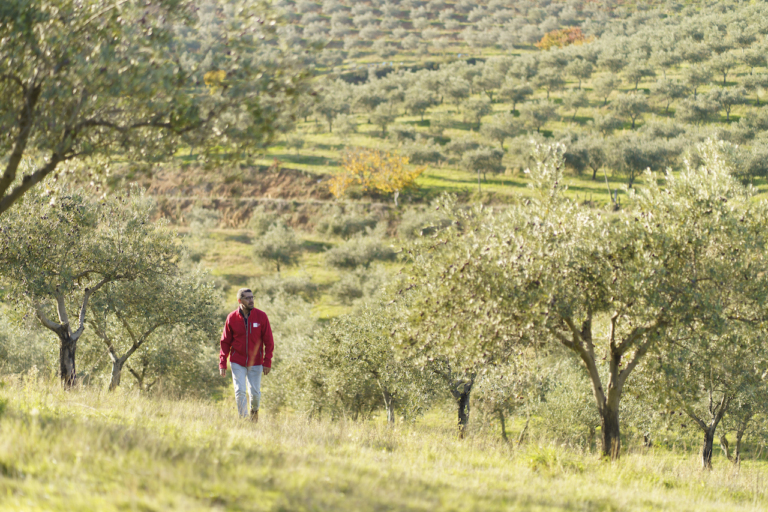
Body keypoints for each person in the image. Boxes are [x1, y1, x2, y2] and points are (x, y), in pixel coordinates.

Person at [219, 288, 274, 422]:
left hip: (256, 362)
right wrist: (222, 362)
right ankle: (243, 420)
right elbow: (225, 342)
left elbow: (269, 341)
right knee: (240, 391)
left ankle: (254, 414)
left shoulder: (261, 316)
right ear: (240, 301)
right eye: (248, 298)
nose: (251, 300)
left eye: (252, 297)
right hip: (237, 361)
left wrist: (267, 362)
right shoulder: (231, 317)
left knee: (255, 394)